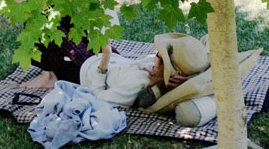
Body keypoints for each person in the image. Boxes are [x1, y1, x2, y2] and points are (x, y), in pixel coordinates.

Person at [21, 16, 211, 109]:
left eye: (161, 58)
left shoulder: (137, 85)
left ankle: (49, 76)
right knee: (64, 15)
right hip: (109, 58)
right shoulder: (155, 73)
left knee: (36, 20)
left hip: (83, 67)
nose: (156, 56)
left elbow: (99, 99)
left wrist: (104, 60)